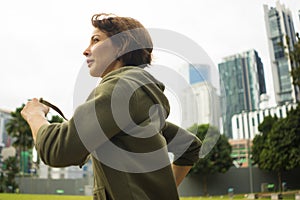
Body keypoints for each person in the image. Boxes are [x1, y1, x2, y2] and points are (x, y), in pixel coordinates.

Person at [21, 13, 201, 200]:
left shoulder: (120, 89)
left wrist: (35, 115)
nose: (86, 50)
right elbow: (189, 145)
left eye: (95, 40)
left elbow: (57, 150)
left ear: (121, 46)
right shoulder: (139, 99)